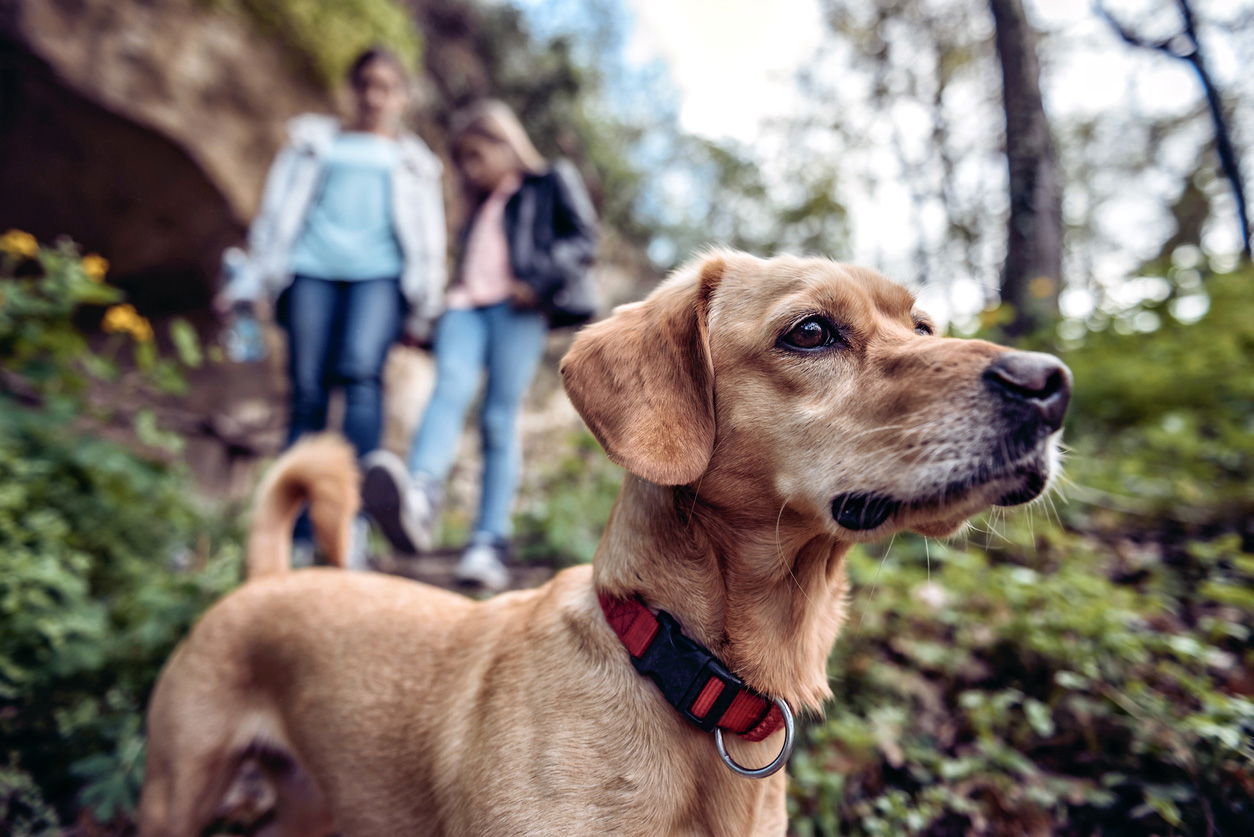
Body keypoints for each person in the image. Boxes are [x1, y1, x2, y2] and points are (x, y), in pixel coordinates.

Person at [218, 47, 446, 568]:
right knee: (307, 395)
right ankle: (295, 534)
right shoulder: (312, 143)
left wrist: (424, 307)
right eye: (366, 83)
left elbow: (430, 239)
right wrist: (250, 280)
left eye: (386, 86)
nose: (374, 96)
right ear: (353, 87)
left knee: (362, 379)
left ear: (402, 97)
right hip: (309, 271)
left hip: (381, 278)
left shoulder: (415, 163)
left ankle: (353, 526)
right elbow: (274, 217)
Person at [362, 100, 598, 591]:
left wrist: (536, 281)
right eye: (463, 161)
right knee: (447, 389)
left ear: (504, 142)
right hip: (466, 308)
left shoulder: (549, 181)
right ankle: (420, 497)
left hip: (518, 309)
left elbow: (582, 239)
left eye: (476, 156)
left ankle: (488, 541)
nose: (470, 169)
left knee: (498, 417)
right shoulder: (477, 209)